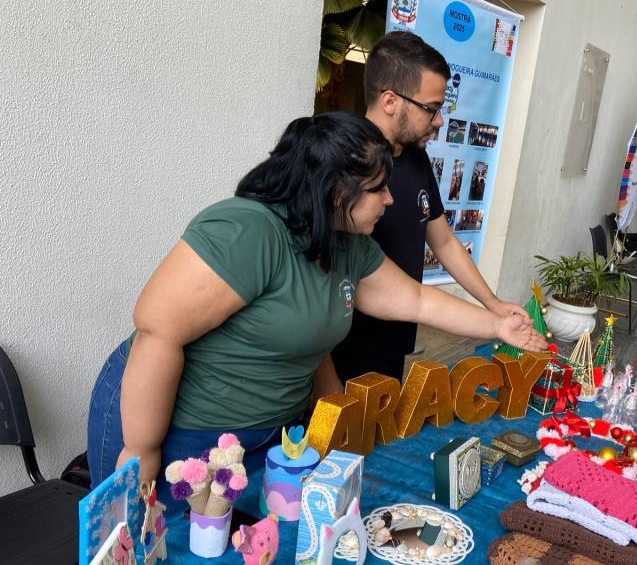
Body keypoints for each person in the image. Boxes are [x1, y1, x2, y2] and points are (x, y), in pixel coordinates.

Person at [86, 113, 544, 493]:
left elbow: (417, 301)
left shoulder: (345, 240)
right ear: (335, 189)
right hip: (177, 432)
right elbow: (156, 331)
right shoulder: (247, 230)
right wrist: (141, 452)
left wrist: (497, 325)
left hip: (268, 435)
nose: (389, 198)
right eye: (378, 187)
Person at [332, 31, 524, 382]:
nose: (439, 121)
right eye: (431, 108)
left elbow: (444, 242)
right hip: (339, 348)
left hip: (396, 339)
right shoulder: (341, 161)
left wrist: (492, 304)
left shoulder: (417, 158)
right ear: (390, 101)